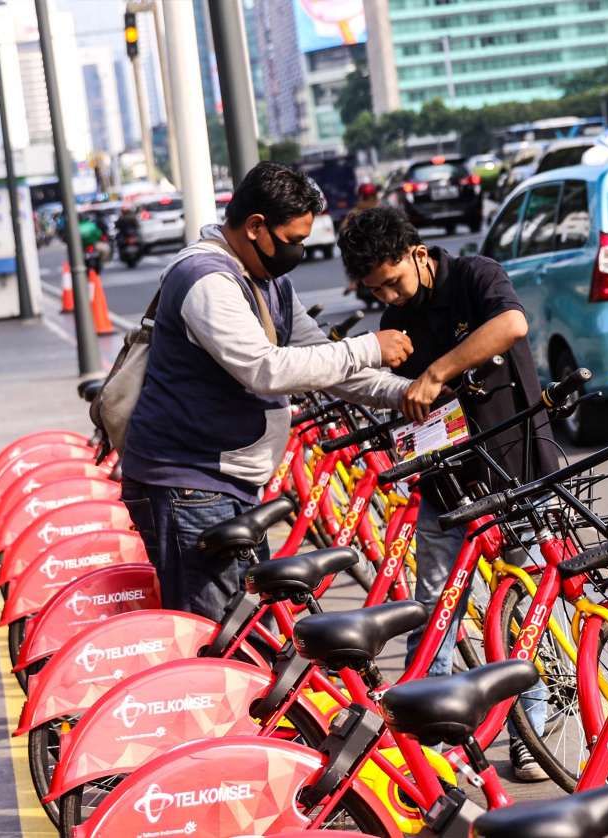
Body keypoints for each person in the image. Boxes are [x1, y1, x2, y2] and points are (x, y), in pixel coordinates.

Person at [120, 162, 414, 623]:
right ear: (255, 226)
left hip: (225, 483)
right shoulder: (206, 281)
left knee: (241, 631)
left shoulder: (268, 279)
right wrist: (369, 347)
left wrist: (406, 393)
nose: (297, 252)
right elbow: (265, 370)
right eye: (293, 240)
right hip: (187, 483)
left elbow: (322, 360)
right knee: (214, 636)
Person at [338, 206, 560, 782]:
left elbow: (510, 327)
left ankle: (529, 737)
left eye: (393, 279)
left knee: (522, 610)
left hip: (515, 469)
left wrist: (436, 373)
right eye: (376, 288)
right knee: (434, 607)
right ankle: (427, 747)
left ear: (416, 252)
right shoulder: (396, 318)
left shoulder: (476, 276)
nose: (390, 293)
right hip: (447, 481)